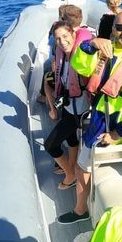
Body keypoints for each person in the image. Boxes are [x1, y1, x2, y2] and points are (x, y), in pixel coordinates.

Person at [57, 10, 122, 224]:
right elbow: (79, 65)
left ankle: (80, 210)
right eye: (120, 27)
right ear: (113, 29)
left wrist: (116, 133)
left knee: (82, 169)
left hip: (115, 124)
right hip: (102, 116)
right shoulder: (106, 52)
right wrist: (90, 45)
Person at [43, 21, 89, 189]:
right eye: (58, 39)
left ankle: (71, 174)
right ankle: (71, 164)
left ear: (73, 35)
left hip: (81, 110)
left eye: (65, 36)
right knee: (70, 138)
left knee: (50, 145)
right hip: (70, 106)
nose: (62, 42)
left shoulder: (82, 53)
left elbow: (92, 47)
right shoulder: (63, 56)